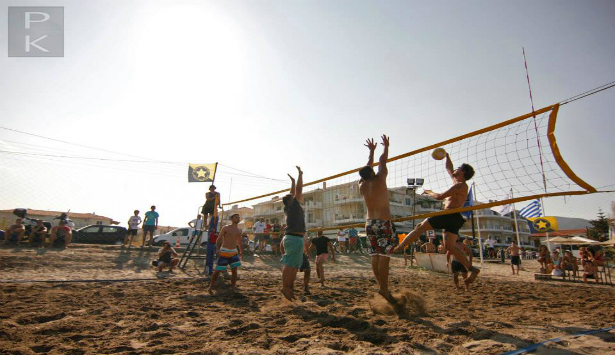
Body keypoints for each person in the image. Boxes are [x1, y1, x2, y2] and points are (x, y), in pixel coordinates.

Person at [395, 152, 480, 286]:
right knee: (450, 247)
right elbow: (449, 168)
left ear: (462, 172)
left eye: (458, 168)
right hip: (456, 218)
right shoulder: (458, 182)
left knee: (420, 228)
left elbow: (440, 197)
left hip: (449, 214)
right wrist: (447, 156)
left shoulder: (460, 185)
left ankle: (400, 247)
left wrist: (429, 191)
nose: (455, 170)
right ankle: (472, 269)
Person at [358, 135, 399, 302]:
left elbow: (368, 167)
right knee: (384, 258)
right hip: (383, 223)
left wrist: (371, 152)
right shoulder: (380, 179)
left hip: (369, 223)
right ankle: (384, 288)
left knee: (375, 256)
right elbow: (382, 162)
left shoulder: (362, 185)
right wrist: (385, 148)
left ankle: (382, 288)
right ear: (373, 172)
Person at [280, 166, 306, 301]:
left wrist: (293, 181)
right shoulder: (293, 205)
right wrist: (301, 174)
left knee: (294, 266)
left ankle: (289, 288)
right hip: (294, 238)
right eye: (293, 196)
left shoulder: (289, 206)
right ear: (290, 200)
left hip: (294, 238)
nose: (296, 195)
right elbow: (299, 190)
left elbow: (292, 192)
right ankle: (286, 287)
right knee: (290, 265)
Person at [208, 213, 243, 293]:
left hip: (234, 251)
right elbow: (219, 239)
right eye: (236, 217)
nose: (238, 218)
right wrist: (217, 248)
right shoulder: (226, 228)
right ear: (231, 219)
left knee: (234, 271)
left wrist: (241, 251)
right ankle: (211, 286)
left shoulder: (239, 230)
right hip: (225, 251)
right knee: (218, 270)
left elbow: (239, 241)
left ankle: (233, 288)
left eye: (238, 217)